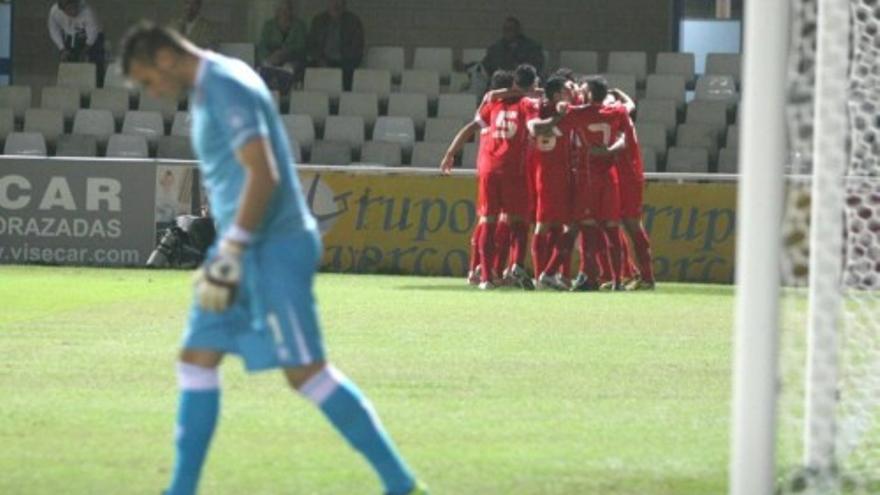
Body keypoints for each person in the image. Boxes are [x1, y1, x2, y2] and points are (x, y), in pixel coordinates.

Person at [119, 22, 427, 495]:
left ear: (163, 59)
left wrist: (233, 251)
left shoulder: (224, 87)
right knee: (197, 358)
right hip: (240, 246)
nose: (151, 92)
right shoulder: (212, 86)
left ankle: (402, 486)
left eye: (145, 79)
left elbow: (263, 174)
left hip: (271, 245)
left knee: (306, 373)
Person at [307, 0, 364, 91]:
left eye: (339, 1)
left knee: (349, 71)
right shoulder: (318, 21)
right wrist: (320, 60)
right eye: (332, 1)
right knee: (306, 68)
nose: (335, 4)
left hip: (344, 63)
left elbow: (357, 47)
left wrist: (343, 60)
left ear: (344, 3)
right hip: (322, 61)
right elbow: (311, 45)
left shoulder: (353, 21)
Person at [48, 0, 106, 82]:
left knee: (95, 63)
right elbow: (54, 30)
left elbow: (92, 34)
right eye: (70, 9)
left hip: (93, 36)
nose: (73, 11)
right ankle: (73, 87)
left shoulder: (87, 12)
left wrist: (84, 52)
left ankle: (98, 86)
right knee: (69, 61)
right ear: (62, 10)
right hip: (71, 34)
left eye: (75, 8)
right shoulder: (54, 12)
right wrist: (62, 49)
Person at [256, 0, 308, 91]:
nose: (284, 13)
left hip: (293, 61)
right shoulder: (268, 25)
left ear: (291, 11)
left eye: (287, 9)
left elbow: (302, 47)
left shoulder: (299, 26)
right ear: (276, 11)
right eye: (281, 9)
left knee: (289, 69)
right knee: (264, 68)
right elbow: (262, 46)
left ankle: (286, 98)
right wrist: (270, 58)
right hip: (272, 60)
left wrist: (285, 53)